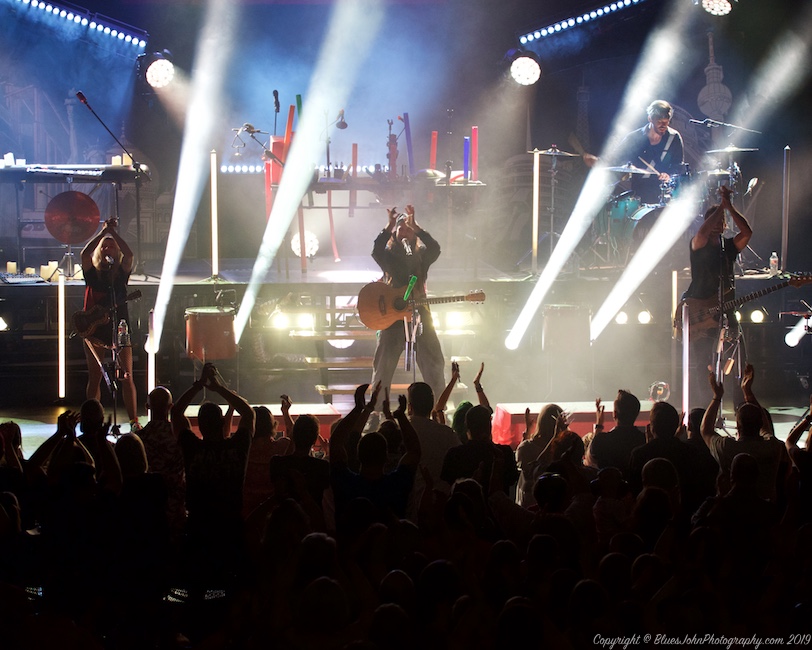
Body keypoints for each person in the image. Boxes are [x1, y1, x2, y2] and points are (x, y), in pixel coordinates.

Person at [679, 184, 752, 405]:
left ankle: (742, 409)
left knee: (738, 360)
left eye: (723, 221)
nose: (720, 225)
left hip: (727, 311)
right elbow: (702, 232)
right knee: (703, 363)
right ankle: (704, 408)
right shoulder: (698, 244)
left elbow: (747, 233)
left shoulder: (728, 247)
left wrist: (728, 207)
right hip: (702, 312)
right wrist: (721, 207)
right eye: (717, 220)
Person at [370, 204, 446, 399]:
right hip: (392, 319)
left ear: (415, 236)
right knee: (383, 368)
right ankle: (376, 411)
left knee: (434, 364)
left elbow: (436, 249)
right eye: (400, 229)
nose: (404, 233)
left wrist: (418, 226)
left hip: (420, 317)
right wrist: (389, 225)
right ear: (394, 236)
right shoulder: (388, 257)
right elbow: (376, 249)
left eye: (408, 230)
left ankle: (438, 408)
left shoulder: (421, 258)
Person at [79, 217, 140, 432]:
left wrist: (113, 233)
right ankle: (92, 421)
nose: (107, 248)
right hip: (94, 329)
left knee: (126, 375)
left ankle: (134, 421)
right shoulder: (92, 272)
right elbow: (85, 254)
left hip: (120, 327)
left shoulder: (121, 273)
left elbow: (130, 254)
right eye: (104, 245)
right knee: (95, 375)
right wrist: (103, 232)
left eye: (111, 246)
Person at [615, 100, 685, 205]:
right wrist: (627, 167)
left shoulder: (674, 137)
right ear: (650, 119)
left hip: (663, 193)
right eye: (659, 122)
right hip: (639, 193)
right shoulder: (634, 137)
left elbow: (678, 165)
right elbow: (618, 157)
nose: (663, 126)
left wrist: (669, 175)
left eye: (666, 122)